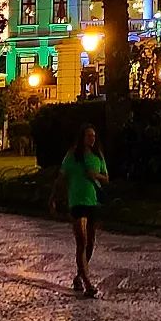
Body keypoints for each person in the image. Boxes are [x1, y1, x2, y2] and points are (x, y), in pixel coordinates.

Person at [50, 124, 108, 298]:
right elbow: (61, 177)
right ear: (82, 137)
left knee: (90, 242)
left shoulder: (98, 156)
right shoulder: (72, 156)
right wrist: (53, 197)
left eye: (94, 136)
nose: (92, 139)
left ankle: (79, 275)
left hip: (92, 201)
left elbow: (106, 178)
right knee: (81, 241)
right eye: (89, 135)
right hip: (76, 202)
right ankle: (87, 282)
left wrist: (95, 176)